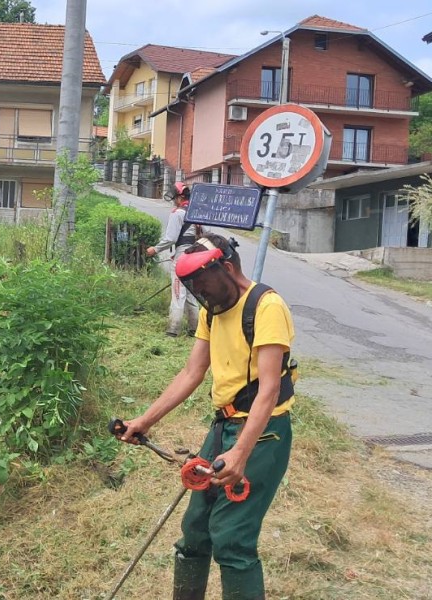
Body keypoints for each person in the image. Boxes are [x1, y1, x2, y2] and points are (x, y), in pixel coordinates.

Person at [119, 233, 296, 600]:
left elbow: (269, 391)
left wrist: (240, 454)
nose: (203, 294)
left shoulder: (266, 307)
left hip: (262, 434)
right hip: (223, 426)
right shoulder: (213, 311)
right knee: (196, 530)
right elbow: (191, 372)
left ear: (227, 269)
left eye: (206, 285)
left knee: (232, 538)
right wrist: (145, 420)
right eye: (196, 288)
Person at [146, 182, 201, 337]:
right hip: (194, 255)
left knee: (178, 291)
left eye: (175, 197)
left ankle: (173, 329)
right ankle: (194, 328)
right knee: (190, 293)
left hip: (182, 256)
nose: (173, 201)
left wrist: (155, 249)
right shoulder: (195, 212)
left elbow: (171, 238)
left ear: (180, 197)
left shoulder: (177, 213)